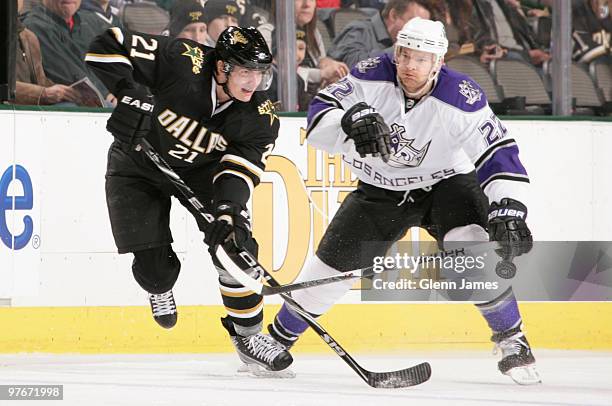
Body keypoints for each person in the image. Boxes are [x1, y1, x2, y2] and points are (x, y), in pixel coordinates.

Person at [267, 17, 541, 385]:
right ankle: (274, 342)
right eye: (404, 55)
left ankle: (513, 341)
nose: (410, 66)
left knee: (471, 248)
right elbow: (319, 115)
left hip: (447, 185)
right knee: (330, 269)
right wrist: (351, 118)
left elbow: (497, 151)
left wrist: (508, 206)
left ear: (439, 62)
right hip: (380, 189)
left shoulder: (461, 96)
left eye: (421, 59)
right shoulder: (371, 75)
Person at [84, 26, 292, 373]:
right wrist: (129, 92)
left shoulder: (261, 116)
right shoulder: (182, 61)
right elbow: (106, 42)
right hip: (136, 162)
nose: (253, 81)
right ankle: (159, 286)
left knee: (235, 243)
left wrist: (228, 212)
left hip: (202, 174)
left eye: (260, 72)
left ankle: (249, 336)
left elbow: (238, 172)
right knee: (155, 272)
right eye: (245, 71)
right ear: (222, 67)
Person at [23, 0, 111, 103]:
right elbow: (68, 74)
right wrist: (107, 94)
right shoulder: (35, 26)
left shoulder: (92, 22)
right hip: (66, 106)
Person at [328, 0, 433, 69]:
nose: (420, 31)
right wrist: (398, 50)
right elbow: (354, 66)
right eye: (415, 23)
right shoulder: (359, 30)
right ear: (394, 15)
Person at [15, 0, 80, 105]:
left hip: (32, 111)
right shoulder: (34, 25)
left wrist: (66, 92)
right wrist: (43, 93)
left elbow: (41, 81)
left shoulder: (28, 37)